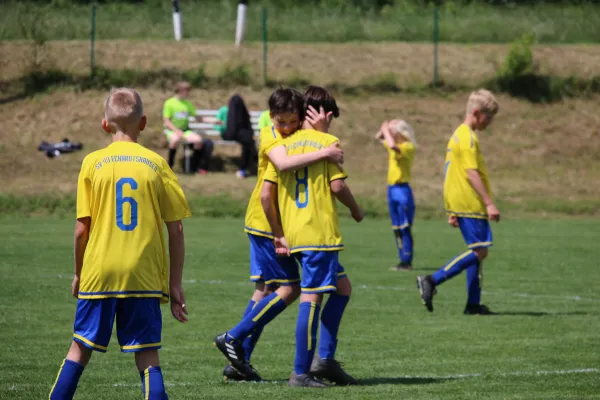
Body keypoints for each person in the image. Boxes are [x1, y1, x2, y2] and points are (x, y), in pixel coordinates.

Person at [49, 88, 191, 400]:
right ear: (143, 122)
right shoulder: (157, 164)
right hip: (143, 273)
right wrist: (175, 283)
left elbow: (80, 230)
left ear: (105, 124)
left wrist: (78, 273)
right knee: (148, 356)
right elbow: (176, 229)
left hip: (99, 271)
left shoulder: (92, 163)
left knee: (79, 348)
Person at [213, 87, 343, 382]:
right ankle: (234, 338)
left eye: (291, 122)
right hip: (267, 224)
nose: (286, 128)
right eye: (281, 122)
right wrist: (324, 148)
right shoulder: (272, 136)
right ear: (271, 118)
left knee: (264, 290)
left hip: (274, 224)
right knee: (290, 288)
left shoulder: (293, 137)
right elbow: (283, 165)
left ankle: (239, 361)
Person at [261, 93, 364, 388]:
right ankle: (301, 372)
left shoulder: (281, 145)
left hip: (293, 234)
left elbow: (266, 195)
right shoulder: (326, 143)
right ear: (322, 115)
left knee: (342, 288)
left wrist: (279, 232)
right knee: (312, 297)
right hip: (318, 233)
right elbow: (337, 185)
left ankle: (326, 360)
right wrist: (356, 209)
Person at [417, 89, 500, 315]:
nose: (490, 122)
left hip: (461, 202)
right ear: (476, 113)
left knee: (477, 250)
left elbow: (449, 172)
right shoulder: (467, 138)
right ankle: (432, 280)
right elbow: (470, 173)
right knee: (479, 251)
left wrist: (451, 209)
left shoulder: (458, 135)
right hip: (469, 202)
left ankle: (473, 304)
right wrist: (489, 202)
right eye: (489, 117)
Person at [375, 119, 417, 271]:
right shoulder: (395, 146)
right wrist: (385, 128)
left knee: (405, 227)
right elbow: (379, 138)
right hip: (391, 189)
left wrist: (386, 128)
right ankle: (402, 260)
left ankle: (407, 260)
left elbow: (392, 145)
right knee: (396, 227)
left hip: (402, 190)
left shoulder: (408, 147)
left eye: (394, 131)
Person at [163, 81, 214, 174]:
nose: (188, 93)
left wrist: (213, 121)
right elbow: (167, 121)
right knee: (174, 140)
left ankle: (195, 166)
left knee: (198, 141)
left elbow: (198, 118)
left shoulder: (188, 104)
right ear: (180, 91)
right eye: (187, 91)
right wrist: (177, 131)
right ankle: (170, 167)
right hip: (172, 130)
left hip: (185, 130)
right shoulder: (169, 103)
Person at [218, 95, 259, 179]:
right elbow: (230, 130)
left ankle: (243, 169)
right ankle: (256, 159)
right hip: (229, 134)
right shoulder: (226, 111)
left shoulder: (240, 114)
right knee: (248, 141)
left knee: (246, 143)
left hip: (241, 136)